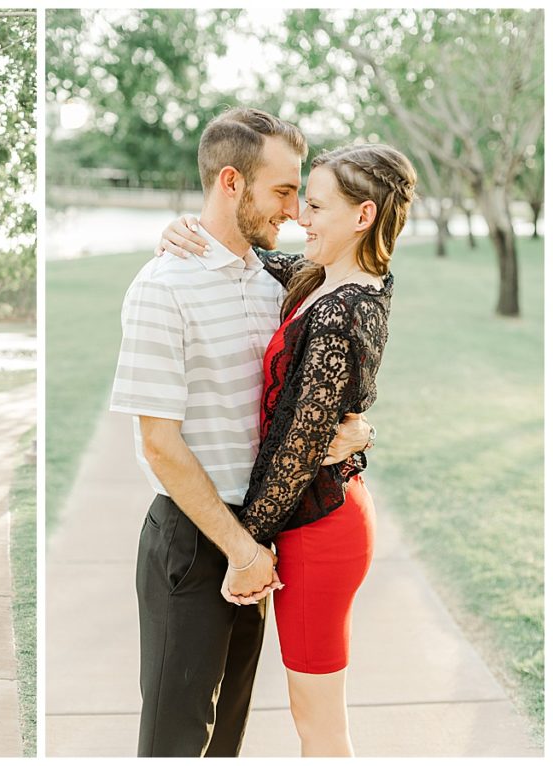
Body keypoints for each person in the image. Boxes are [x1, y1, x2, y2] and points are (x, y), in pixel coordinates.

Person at [110, 107, 372, 757]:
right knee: (176, 744)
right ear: (231, 181)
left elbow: (309, 388)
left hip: (255, 534)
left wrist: (354, 428)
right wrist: (240, 549)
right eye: (283, 190)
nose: (294, 210)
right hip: (196, 544)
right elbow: (157, 444)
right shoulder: (161, 288)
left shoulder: (271, 282)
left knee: (224, 740)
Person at [158, 143, 416, 756]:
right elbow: (248, 254)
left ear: (363, 216)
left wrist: (245, 549)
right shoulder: (329, 279)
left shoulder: (338, 315)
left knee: (319, 726)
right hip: (322, 516)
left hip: (319, 531)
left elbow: (291, 456)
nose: (301, 215)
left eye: (317, 205)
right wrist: (184, 229)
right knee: (315, 717)